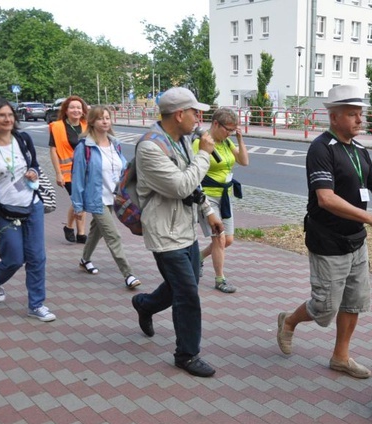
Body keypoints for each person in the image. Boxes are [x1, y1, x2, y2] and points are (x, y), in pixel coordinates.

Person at [275, 85, 372, 379]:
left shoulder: (360, 150)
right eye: (352, 115)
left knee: (354, 301)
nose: (359, 120)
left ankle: (340, 357)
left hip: (356, 241)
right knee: (324, 307)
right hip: (327, 239)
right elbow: (325, 199)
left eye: (360, 114)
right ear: (334, 118)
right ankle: (289, 322)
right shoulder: (321, 149)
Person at [131, 87, 224, 378]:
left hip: (185, 227)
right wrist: (205, 155)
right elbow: (181, 185)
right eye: (196, 112)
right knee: (187, 293)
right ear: (180, 114)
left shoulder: (181, 140)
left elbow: (193, 187)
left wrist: (208, 211)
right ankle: (186, 354)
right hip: (163, 231)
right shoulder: (150, 147)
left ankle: (144, 304)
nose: (200, 118)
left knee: (182, 284)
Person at [0, 97, 56, 322]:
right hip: (3, 210)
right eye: (1, 115)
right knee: (15, 258)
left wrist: (33, 173)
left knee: (37, 257)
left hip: (31, 204)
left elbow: (34, 165)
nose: (7, 119)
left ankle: (36, 305)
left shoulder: (22, 139)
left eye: (10, 114)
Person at [70, 105, 140, 289]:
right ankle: (128, 274)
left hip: (114, 197)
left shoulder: (114, 144)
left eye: (108, 118)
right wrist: (77, 205)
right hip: (97, 198)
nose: (105, 121)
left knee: (96, 231)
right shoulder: (84, 147)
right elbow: (77, 177)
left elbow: (124, 168)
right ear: (92, 121)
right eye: (101, 118)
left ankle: (85, 259)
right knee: (113, 235)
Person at [192, 107, 249, 293]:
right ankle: (220, 279)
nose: (230, 133)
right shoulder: (202, 142)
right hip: (208, 197)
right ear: (216, 123)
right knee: (219, 238)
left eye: (233, 130)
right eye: (228, 129)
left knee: (228, 240)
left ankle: (198, 257)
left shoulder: (226, 142)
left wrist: (239, 139)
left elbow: (244, 161)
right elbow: (194, 170)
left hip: (225, 196)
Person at [48, 96, 88, 244]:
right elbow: (53, 151)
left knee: (80, 200)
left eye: (79, 107)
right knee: (79, 200)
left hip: (85, 170)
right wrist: (58, 173)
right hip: (67, 172)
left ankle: (72, 228)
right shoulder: (57, 126)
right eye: (72, 107)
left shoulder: (87, 126)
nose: (76, 110)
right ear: (66, 110)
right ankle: (81, 232)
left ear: (83, 111)